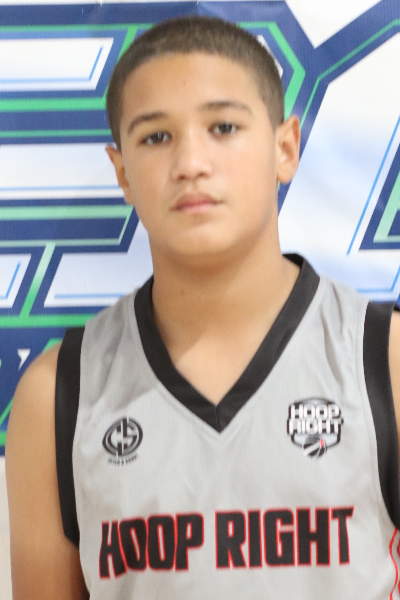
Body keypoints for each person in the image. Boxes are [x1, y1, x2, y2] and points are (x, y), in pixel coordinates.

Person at [5, 14, 400, 600]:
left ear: (285, 148)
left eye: (223, 127)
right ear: (123, 174)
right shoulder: (58, 394)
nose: (191, 162)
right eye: (155, 137)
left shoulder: (385, 359)